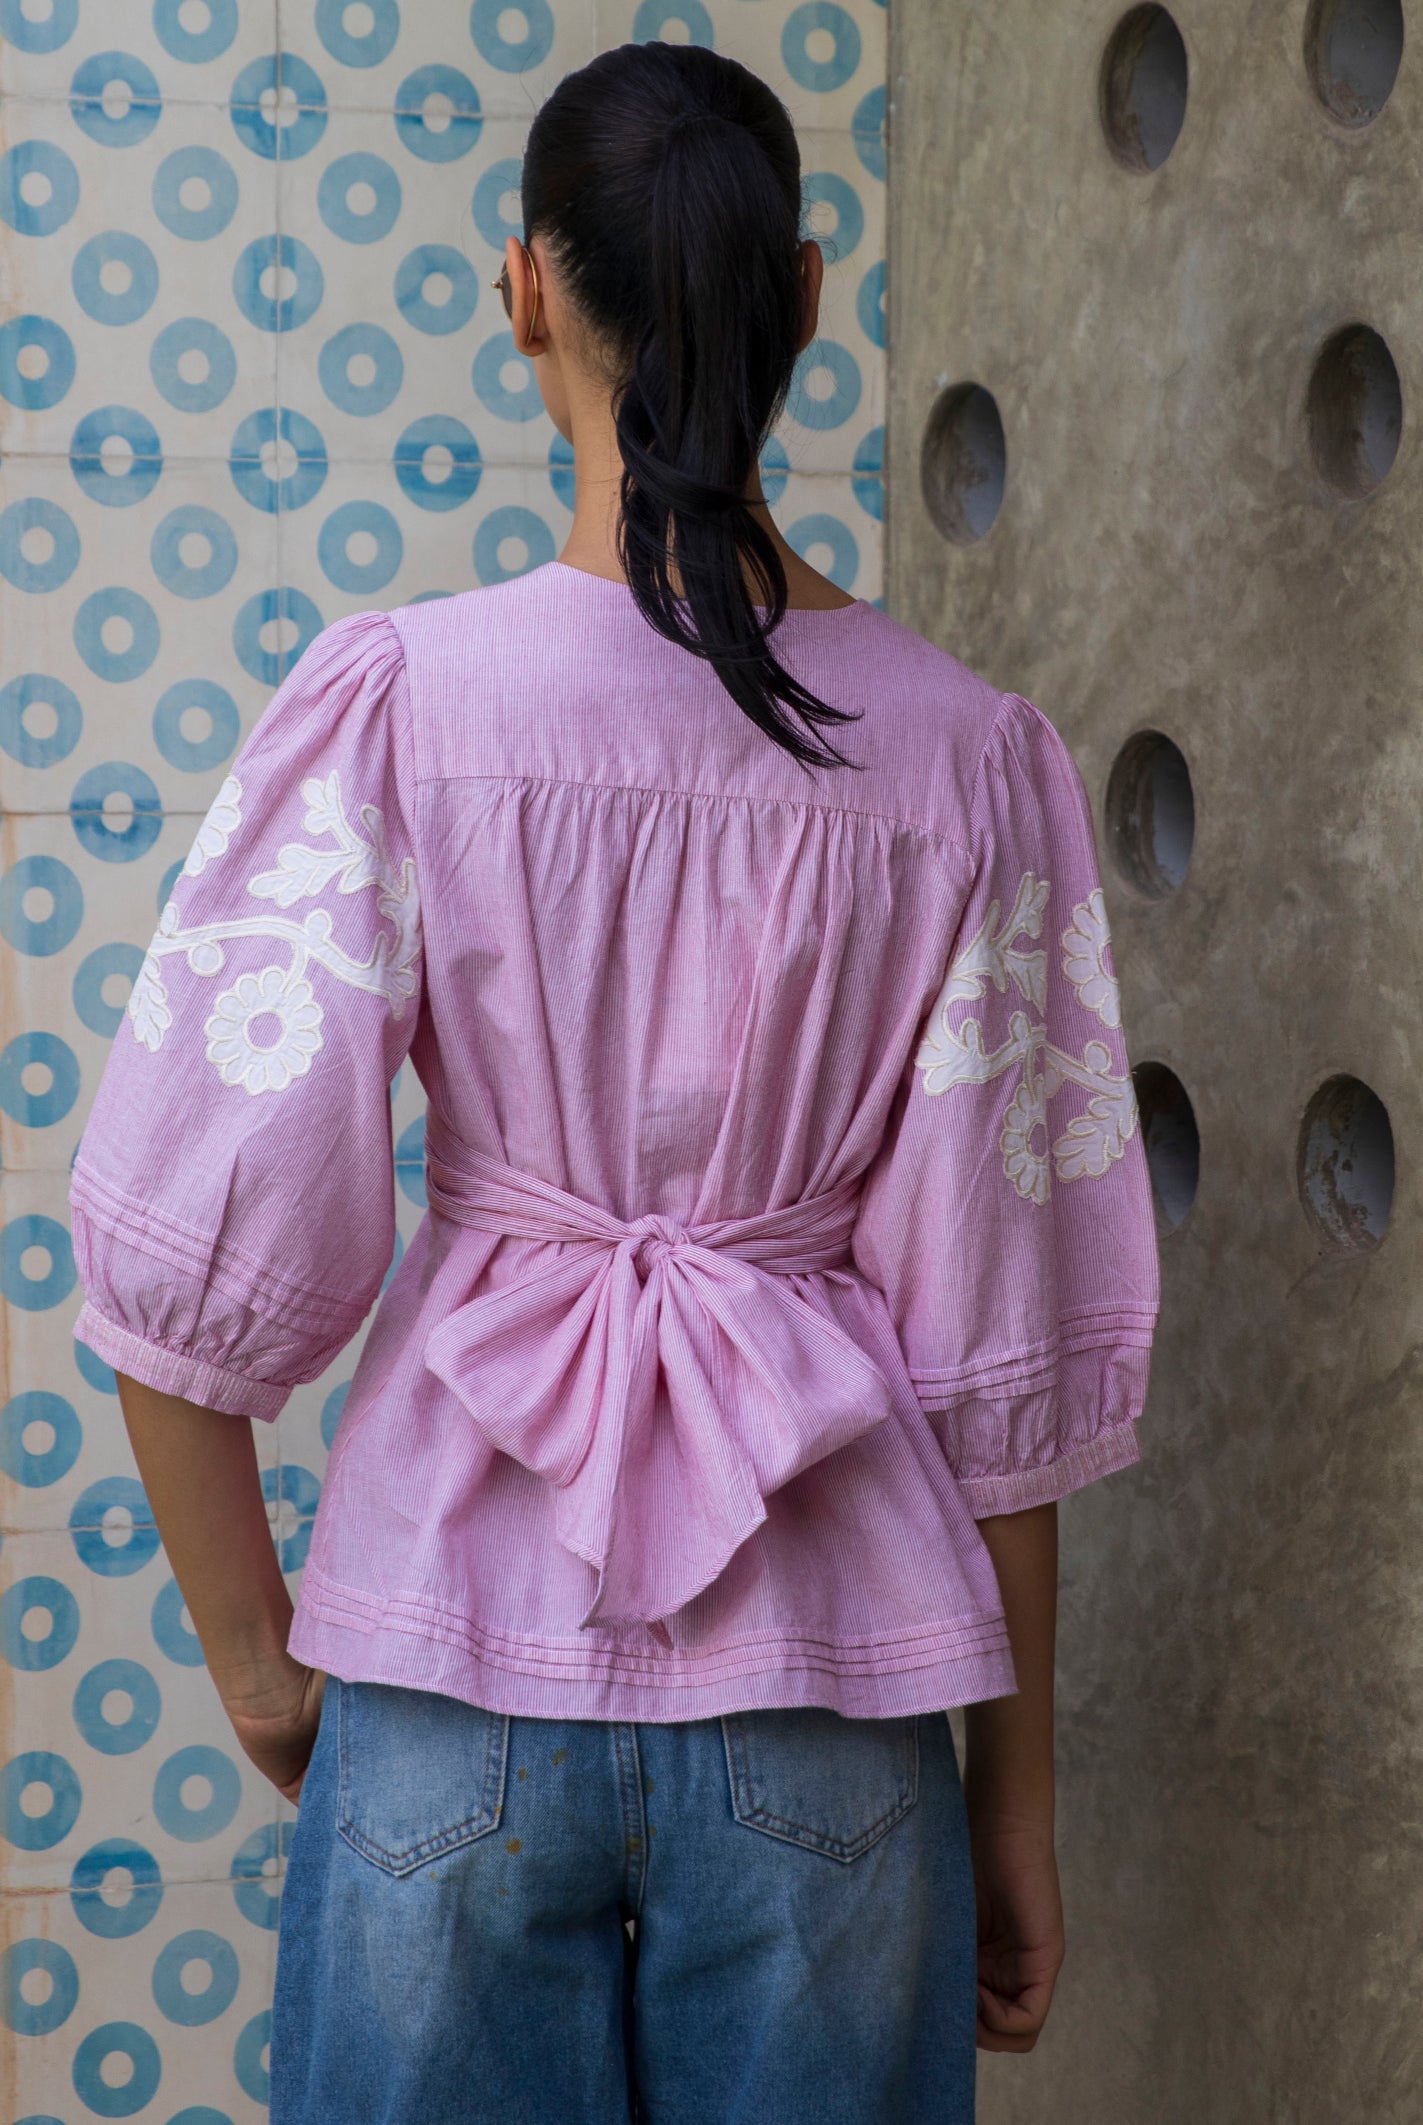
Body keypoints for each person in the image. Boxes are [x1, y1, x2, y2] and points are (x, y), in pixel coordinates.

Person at [69, 39, 1160, 2125]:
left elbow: (193, 1229)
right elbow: (994, 1359)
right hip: (836, 1696)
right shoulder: (965, 759)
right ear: (810, 300)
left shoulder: (402, 702)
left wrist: (251, 1654)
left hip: (446, 1658)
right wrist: (1014, 1804)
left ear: (524, 297)